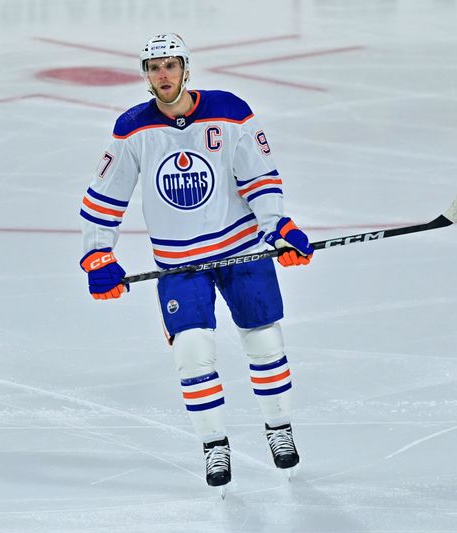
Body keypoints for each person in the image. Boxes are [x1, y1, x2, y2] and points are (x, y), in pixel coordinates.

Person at [78, 33, 314, 488]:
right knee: (192, 353)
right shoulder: (133, 129)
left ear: (186, 68)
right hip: (180, 263)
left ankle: (279, 430)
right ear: (145, 76)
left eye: (170, 65)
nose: (162, 75)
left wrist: (278, 228)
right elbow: (104, 198)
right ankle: (214, 446)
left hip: (241, 249)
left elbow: (259, 177)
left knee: (265, 343)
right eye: (154, 68)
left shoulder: (230, 111)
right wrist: (97, 255)